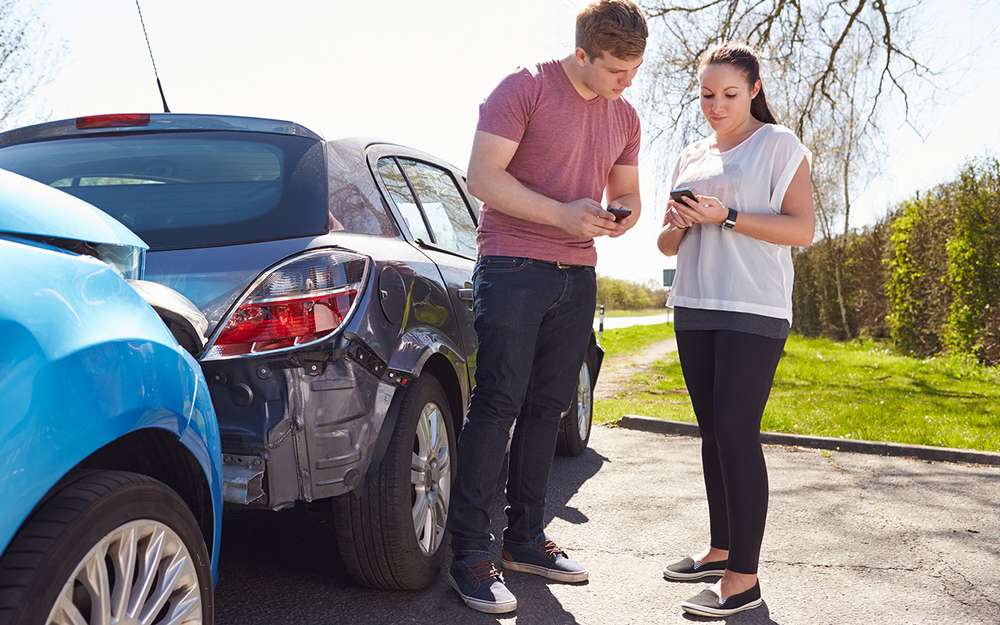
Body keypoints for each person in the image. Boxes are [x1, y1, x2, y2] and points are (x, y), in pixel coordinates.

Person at [445, 0, 647, 614]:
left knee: (548, 409)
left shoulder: (625, 115)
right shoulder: (524, 89)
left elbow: (628, 192)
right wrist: (562, 214)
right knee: (498, 403)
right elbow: (483, 178)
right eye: (617, 70)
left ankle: (526, 541)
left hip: (578, 274)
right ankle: (470, 555)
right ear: (582, 53)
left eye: (634, 71)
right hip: (512, 266)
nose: (626, 82)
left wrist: (622, 218)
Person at [656, 42, 815, 617]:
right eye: (706, 95)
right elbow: (665, 244)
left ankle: (743, 579)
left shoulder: (779, 144)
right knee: (712, 432)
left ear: (753, 90)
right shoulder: (691, 155)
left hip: (754, 307)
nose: (716, 106)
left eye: (728, 94)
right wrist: (681, 222)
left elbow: (801, 230)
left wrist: (726, 216)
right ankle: (720, 550)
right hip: (694, 304)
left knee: (735, 429)